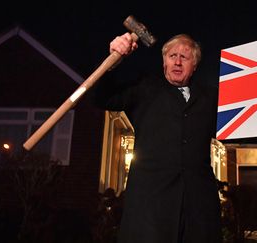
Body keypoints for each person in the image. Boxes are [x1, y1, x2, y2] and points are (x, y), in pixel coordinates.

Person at [94, 33, 222, 243]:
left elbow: (243, 123)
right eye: (172, 56)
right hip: (149, 211)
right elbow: (102, 97)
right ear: (164, 62)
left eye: (185, 57)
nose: (178, 61)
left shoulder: (211, 96)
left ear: (195, 65)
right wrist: (113, 60)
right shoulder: (144, 88)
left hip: (198, 213)